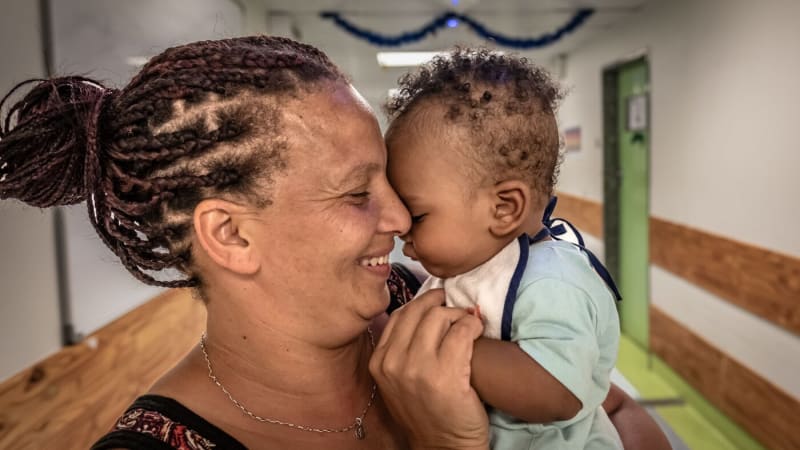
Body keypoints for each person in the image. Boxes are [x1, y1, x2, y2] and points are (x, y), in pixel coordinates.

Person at [0, 36, 669, 450]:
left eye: (393, 181)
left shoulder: (417, 302)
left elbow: (608, 405)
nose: (402, 220)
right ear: (230, 234)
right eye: (358, 193)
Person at [385, 48, 623, 449]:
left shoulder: (554, 280)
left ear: (505, 207)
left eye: (418, 216)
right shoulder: (475, 267)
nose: (401, 232)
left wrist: (452, 353)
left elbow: (557, 391)